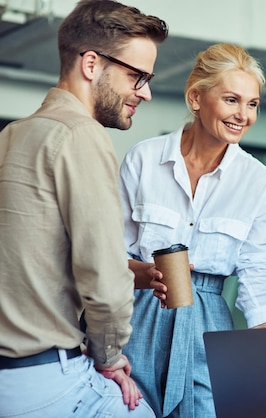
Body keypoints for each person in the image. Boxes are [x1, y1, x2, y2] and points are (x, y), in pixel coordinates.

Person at [0, 1, 168, 416]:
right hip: (48, 380)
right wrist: (109, 356)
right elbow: (104, 281)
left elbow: (29, 255)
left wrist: (131, 271)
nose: (145, 91)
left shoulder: (10, 137)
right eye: (137, 75)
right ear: (91, 64)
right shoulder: (81, 135)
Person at [119, 43, 266, 418]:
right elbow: (111, 257)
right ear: (196, 97)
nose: (243, 115)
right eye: (231, 100)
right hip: (138, 314)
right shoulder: (144, 159)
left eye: (252, 104)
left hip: (209, 322)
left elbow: (257, 274)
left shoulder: (259, 181)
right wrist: (149, 276)